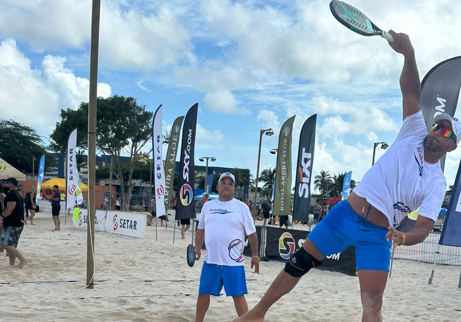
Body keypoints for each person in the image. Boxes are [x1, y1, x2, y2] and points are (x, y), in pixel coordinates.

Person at [234, 31, 460, 322]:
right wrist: (409, 54)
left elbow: (425, 228)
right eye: (436, 126)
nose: (436, 131)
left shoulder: (436, 182)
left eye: (445, 132)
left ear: (452, 146)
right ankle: (257, 314)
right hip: (346, 215)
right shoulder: (413, 132)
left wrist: (403, 237)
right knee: (299, 262)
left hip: (378, 234)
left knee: (373, 305)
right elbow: (411, 93)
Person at [195, 172, 260, 322]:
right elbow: (200, 229)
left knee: (238, 295)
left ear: (234, 189)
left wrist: (255, 256)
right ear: (217, 187)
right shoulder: (207, 206)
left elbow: (252, 234)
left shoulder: (242, 207)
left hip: (233, 262)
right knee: (203, 293)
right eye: (223, 183)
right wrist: (197, 248)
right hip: (211, 261)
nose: (226, 185)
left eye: (230, 184)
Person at [0, 178, 27, 268]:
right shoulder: (17, 194)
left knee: (5, 244)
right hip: (18, 223)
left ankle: (22, 259)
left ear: (11, 184)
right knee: (12, 245)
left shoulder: (12, 194)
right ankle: (12, 264)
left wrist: (1, 217)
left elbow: (10, 208)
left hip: (12, 223)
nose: (4, 185)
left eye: (5, 183)